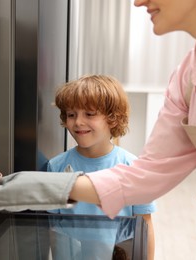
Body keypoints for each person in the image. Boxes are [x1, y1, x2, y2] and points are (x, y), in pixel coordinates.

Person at [0, 0, 196, 259]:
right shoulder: (187, 77)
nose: (138, 2)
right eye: (71, 114)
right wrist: (28, 187)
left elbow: (143, 219)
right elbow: (150, 173)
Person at [47, 74, 155, 260]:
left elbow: (145, 225)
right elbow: (52, 227)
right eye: (72, 114)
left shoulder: (133, 168)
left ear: (112, 118)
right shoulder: (56, 166)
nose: (78, 122)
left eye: (89, 114)